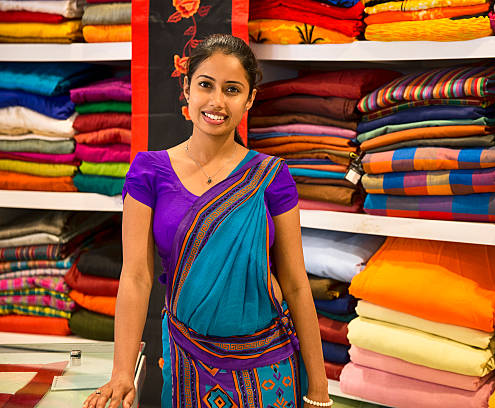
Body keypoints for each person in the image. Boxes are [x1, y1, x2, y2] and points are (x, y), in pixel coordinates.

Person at [83, 34, 330, 408]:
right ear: (186, 89)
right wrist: (122, 372)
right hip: (187, 361)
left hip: (268, 367)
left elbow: (296, 283)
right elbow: (136, 276)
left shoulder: (270, 175)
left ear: (249, 99)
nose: (216, 101)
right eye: (205, 85)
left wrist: (319, 387)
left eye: (232, 89)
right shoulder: (149, 172)